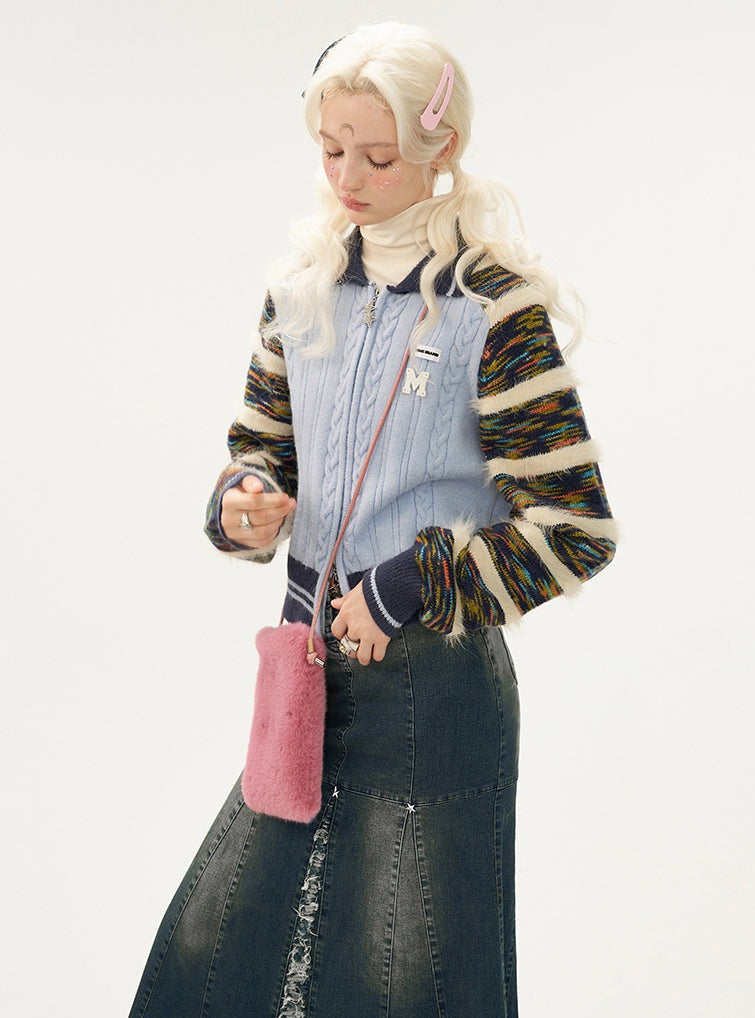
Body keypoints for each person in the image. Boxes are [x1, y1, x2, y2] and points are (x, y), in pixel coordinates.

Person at [128, 21, 616, 1018]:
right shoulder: (299, 292)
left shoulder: (494, 310)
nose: (348, 177)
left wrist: (409, 583)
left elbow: (575, 529)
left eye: (377, 156)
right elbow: (260, 450)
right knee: (211, 958)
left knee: (400, 980)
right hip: (306, 679)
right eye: (331, 150)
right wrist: (243, 505)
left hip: (434, 694)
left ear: (442, 148)